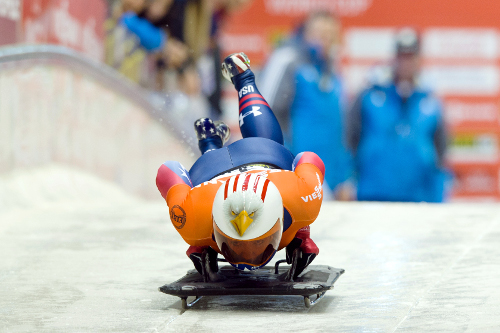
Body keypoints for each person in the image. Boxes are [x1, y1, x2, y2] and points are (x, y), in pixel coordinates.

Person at [156, 53, 325, 281]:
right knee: (267, 144)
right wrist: (301, 233)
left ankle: (212, 142)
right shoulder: (301, 198)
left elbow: (167, 170)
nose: (246, 257)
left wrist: (201, 242)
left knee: (263, 147)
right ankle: (234, 100)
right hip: (233, 165)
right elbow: (308, 158)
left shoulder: (194, 216)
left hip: (219, 171)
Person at [346, 28, 448, 202]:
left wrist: (436, 191)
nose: (405, 62)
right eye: (401, 56)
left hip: (417, 195)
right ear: (394, 58)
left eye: (411, 56)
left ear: (418, 60)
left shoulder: (430, 101)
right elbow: (351, 137)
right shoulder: (370, 95)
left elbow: (440, 149)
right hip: (373, 191)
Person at [259, 11, 352, 200]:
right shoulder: (289, 60)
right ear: (306, 33)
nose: (324, 40)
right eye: (319, 33)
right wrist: (285, 165)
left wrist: (344, 177)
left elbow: (340, 129)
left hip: (330, 179)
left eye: (330, 35)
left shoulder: (333, 73)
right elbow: (265, 114)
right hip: (297, 173)